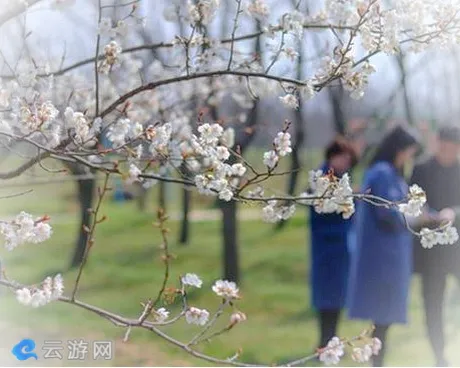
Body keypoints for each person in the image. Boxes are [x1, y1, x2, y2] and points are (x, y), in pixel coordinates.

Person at [347, 125, 420, 367]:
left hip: (389, 256)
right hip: (382, 258)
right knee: (381, 317)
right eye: (409, 151)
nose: (409, 157)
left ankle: (378, 363)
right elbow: (389, 214)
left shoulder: (390, 173)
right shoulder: (382, 173)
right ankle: (377, 364)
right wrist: (420, 219)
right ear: (399, 149)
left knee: (383, 320)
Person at [410, 125, 460, 367]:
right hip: (430, 251)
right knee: (433, 306)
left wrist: (454, 213)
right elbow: (411, 202)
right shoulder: (421, 170)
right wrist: (425, 214)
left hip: (457, 249)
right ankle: (440, 357)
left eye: (452, 148)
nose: (446, 152)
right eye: (443, 146)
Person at [309, 137, 358, 349]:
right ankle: (325, 344)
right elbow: (321, 216)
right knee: (328, 300)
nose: (346, 163)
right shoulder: (322, 181)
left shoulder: (339, 179)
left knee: (336, 299)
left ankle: (330, 343)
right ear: (332, 157)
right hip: (327, 248)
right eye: (344, 158)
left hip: (339, 248)